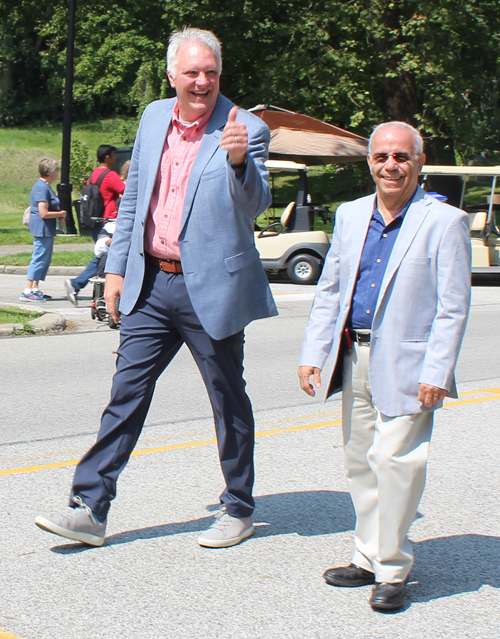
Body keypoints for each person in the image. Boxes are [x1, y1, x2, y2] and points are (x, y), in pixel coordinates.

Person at [36, 27, 276, 549]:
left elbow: (255, 205)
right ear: (172, 75)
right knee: (126, 393)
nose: (202, 82)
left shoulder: (246, 128)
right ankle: (89, 507)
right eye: (191, 72)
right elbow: (134, 197)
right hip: (151, 281)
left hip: (210, 289)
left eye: (210, 72)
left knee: (226, 397)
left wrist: (238, 162)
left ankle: (238, 507)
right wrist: (116, 269)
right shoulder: (151, 118)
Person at [298, 122, 471, 611]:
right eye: (381, 157)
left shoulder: (445, 221)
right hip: (355, 357)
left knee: (396, 465)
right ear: (369, 162)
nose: (391, 166)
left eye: (401, 157)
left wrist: (437, 371)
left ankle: (393, 570)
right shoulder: (351, 215)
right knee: (360, 463)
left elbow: (453, 307)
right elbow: (331, 289)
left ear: (419, 161)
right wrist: (315, 353)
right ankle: (367, 556)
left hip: (412, 364)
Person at [64, 145, 125, 305]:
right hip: (107, 221)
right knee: (103, 257)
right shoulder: (110, 175)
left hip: (94, 220)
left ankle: (79, 285)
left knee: (102, 257)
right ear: (107, 157)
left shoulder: (93, 175)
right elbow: (126, 191)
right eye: (113, 155)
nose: (115, 158)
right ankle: (76, 283)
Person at [20, 159, 67, 302]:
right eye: (57, 169)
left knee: (44, 259)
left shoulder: (45, 186)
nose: (59, 172)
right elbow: (43, 212)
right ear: (51, 172)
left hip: (46, 228)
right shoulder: (42, 187)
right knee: (39, 258)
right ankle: (27, 290)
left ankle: (35, 288)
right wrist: (61, 214)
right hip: (41, 228)